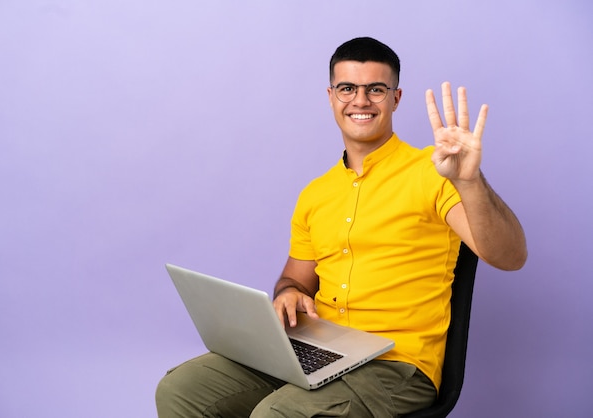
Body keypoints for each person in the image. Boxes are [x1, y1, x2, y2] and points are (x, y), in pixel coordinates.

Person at [155, 37, 527, 417]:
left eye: (375, 90)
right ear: (332, 96)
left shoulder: (434, 173)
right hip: (316, 350)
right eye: (348, 88)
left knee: (277, 414)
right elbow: (294, 280)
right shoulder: (315, 194)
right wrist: (288, 294)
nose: (361, 101)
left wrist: (469, 180)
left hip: (394, 365)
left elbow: (511, 257)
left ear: (396, 99)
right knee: (182, 389)